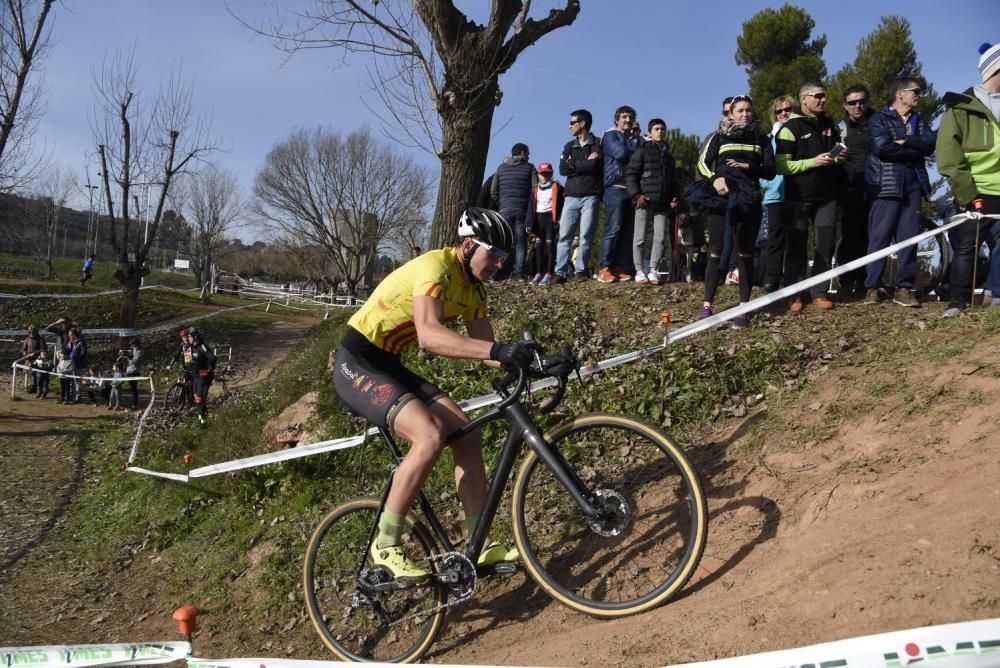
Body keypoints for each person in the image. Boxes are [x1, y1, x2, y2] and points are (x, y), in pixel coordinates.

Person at [333, 208, 542, 582]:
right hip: (358, 360)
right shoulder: (435, 268)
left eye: (504, 257)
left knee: (467, 432)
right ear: (467, 245)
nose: (499, 263)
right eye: (493, 253)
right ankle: (386, 544)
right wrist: (497, 352)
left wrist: (533, 361)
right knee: (429, 434)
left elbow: (486, 349)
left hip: (389, 363)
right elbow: (429, 335)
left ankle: (479, 544)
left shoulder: (472, 288)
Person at [693, 95, 776, 327]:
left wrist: (748, 167)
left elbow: (771, 170)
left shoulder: (761, 138)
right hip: (720, 198)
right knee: (716, 251)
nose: (745, 114)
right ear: (731, 113)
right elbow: (702, 164)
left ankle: (743, 308)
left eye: (748, 110)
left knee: (745, 253)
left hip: (748, 199)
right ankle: (707, 305)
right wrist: (715, 178)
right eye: (739, 110)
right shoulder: (719, 136)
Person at [938, 42, 1000, 317]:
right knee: (966, 247)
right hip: (974, 191)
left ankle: (996, 296)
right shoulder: (960, 107)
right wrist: (966, 193)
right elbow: (948, 155)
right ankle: (957, 302)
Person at [863, 77, 936, 308]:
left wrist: (907, 141)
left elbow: (931, 142)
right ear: (900, 94)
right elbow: (882, 147)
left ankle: (904, 288)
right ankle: (872, 287)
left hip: (913, 185)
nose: (919, 95)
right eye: (915, 91)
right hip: (885, 185)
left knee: (910, 238)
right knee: (880, 237)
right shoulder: (879, 118)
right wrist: (914, 150)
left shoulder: (918, 119)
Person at [775, 81, 847, 312]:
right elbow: (782, 166)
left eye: (825, 96)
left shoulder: (829, 124)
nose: (823, 100)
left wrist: (837, 157)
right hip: (798, 196)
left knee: (825, 244)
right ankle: (794, 293)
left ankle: (819, 291)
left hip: (827, 196)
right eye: (818, 96)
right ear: (804, 99)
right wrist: (812, 162)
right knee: (796, 246)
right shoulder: (789, 128)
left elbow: (835, 151)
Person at [554, 109, 603, 282]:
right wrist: (586, 163)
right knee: (565, 236)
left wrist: (575, 165)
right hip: (570, 197)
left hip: (591, 195)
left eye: (572, 123)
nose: (569, 126)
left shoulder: (598, 143)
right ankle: (560, 272)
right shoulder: (568, 146)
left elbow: (596, 167)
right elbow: (563, 169)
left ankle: (581, 271)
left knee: (586, 236)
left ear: (582, 124)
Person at [626, 118, 676, 285]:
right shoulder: (641, 152)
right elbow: (631, 175)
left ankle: (653, 270)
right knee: (639, 238)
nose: (660, 131)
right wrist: (636, 195)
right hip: (644, 200)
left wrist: (674, 197)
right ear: (650, 132)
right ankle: (639, 270)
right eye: (656, 129)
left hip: (662, 203)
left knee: (660, 238)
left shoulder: (669, 157)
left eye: (662, 129)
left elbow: (672, 181)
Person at [837, 84, 875, 298]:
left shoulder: (878, 123)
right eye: (852, 102)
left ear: (867, 102)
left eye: (861, 101)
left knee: (872, 237)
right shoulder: (840, 128)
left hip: (876, 188)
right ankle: (846, 282)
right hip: (849, 190)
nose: (857, 106)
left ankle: (867, 282)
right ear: (845, 105)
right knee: (850, 237)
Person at [598, 105, 642, 283]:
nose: (628, 120)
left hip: (630, 189)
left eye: (631, 117)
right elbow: (621, 153)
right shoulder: (610, 135)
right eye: (624, 117)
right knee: (613, 229)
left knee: (626, 232)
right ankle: (604, 267)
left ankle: (618, 267)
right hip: (615, 187)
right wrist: (637, 152)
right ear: (617, 119)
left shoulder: (633, 139)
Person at [760, 95, 794, 292]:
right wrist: (768, 183)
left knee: (796, 239)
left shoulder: (799, 131)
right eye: (778, 111)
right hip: (774, 195)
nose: (783, 113)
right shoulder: (770, 138)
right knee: (775, 238)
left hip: (796, 194)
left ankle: (792, 278)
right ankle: (772, 278)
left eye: (787, 109)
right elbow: (765, 166)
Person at [490, 142, 537, 279]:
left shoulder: (500, 168)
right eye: (528, 153)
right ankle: (519, 273)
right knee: (521, 243)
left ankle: (499, 272)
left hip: (504, 210)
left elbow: (493, 191)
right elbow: (535, 191)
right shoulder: (530, 168)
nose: (529, 156)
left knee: (504, 243)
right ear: (523, 153)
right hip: (522, 210)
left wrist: (502, 204)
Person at [529, 162, 564, 285]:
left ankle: (549, 273)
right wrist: (529, 223)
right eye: (543, 174)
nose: (545, 176)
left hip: (550, 219)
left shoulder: (558, 187)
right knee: (538, 248)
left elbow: (561, 204)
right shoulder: (534, 188)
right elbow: (530, 206)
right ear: (538, 174)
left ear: (551, 174)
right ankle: (538, 273)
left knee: (550, 247)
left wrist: (559, 220)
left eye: (548, 174)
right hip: (538, 220)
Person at [188, 328, 216, 428]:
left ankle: (203, 423)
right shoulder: (192, 347)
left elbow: (212, 358)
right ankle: (201, 421)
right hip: (195, 377)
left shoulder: (202, 347)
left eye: (190, 337)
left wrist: (208, 370)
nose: (188, 338)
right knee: (197, 400)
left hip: (203, 378)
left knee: (200, 400)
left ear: (195, 337)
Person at [21, 324, 46, 394]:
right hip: (28, 359)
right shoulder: (27, 339)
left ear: (36, 332)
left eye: (33, 332)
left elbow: (44, 349)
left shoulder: (40, 339)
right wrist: (25, 354)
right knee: (30, 373)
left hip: (38, 359)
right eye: (30, 332)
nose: (31, 333)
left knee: (37, 374)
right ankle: (33, 387)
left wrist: (34, 353)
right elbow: (23, 349)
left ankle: (38, 388)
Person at [66, 328, 88, 403]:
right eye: (69, 335)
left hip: (78, 364)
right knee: (71, 380)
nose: (69, 336)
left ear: (74, 335)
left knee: (77, 380)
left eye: (70, 335)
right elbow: (67, 351)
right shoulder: (69, 343)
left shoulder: (81, 342)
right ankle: (72, 395)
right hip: (70, 364)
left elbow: (83, 353)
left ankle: (78, 396)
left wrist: (76, 358)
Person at [125, 338, 143, 410]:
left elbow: (134, 362)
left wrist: (128, 357)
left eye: (132, 346)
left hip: (135, 372)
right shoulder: (133, 352)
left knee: (134, 389)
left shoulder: (140, 353)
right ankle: (133, 403)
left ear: (136, 346)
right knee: (132, 389)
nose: (131, 348)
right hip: (129, 371)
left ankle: (134, 405)